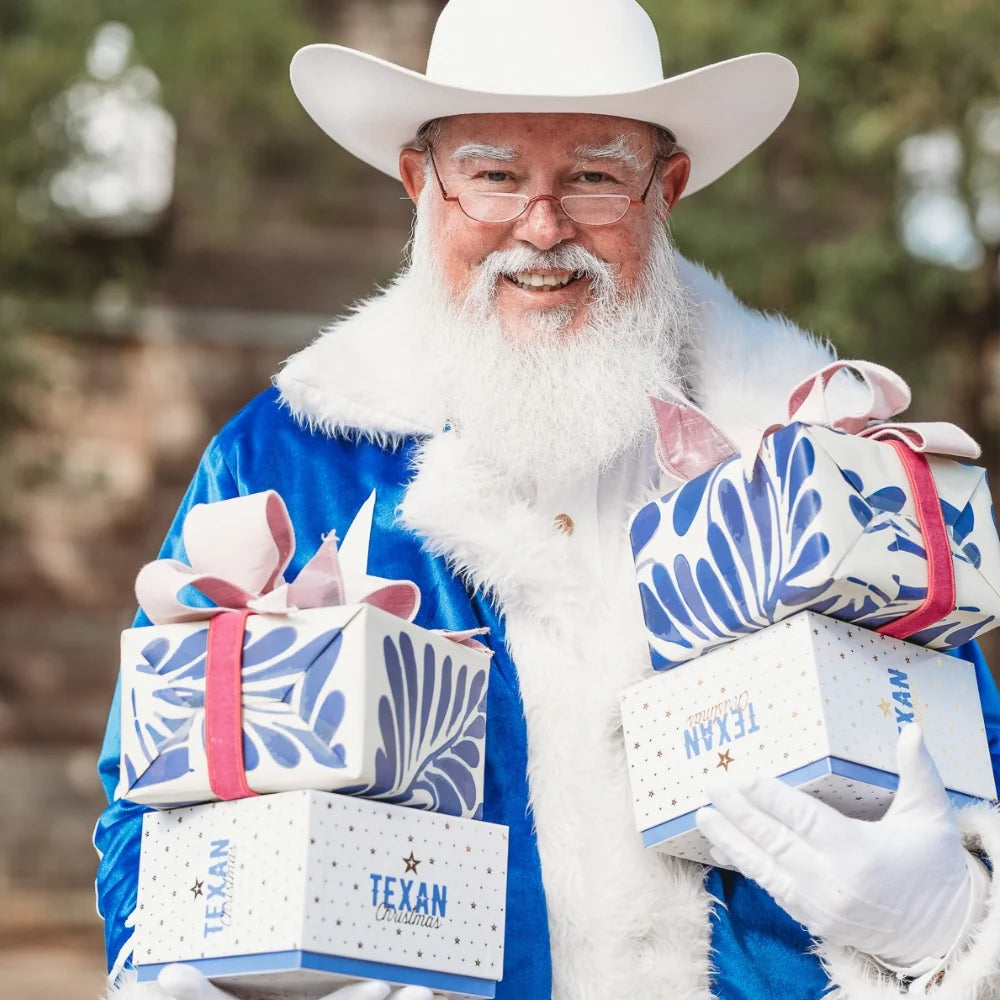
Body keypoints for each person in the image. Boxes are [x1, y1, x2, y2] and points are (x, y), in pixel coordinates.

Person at [95, 1, 1000, 998]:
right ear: (421, 183)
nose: (540, 228)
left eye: (594, 177)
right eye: (492, 175)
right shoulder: (288, 458)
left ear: (666, 189)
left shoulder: (810, 465)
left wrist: (945, 926)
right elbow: (148, 798)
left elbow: (964, 755)